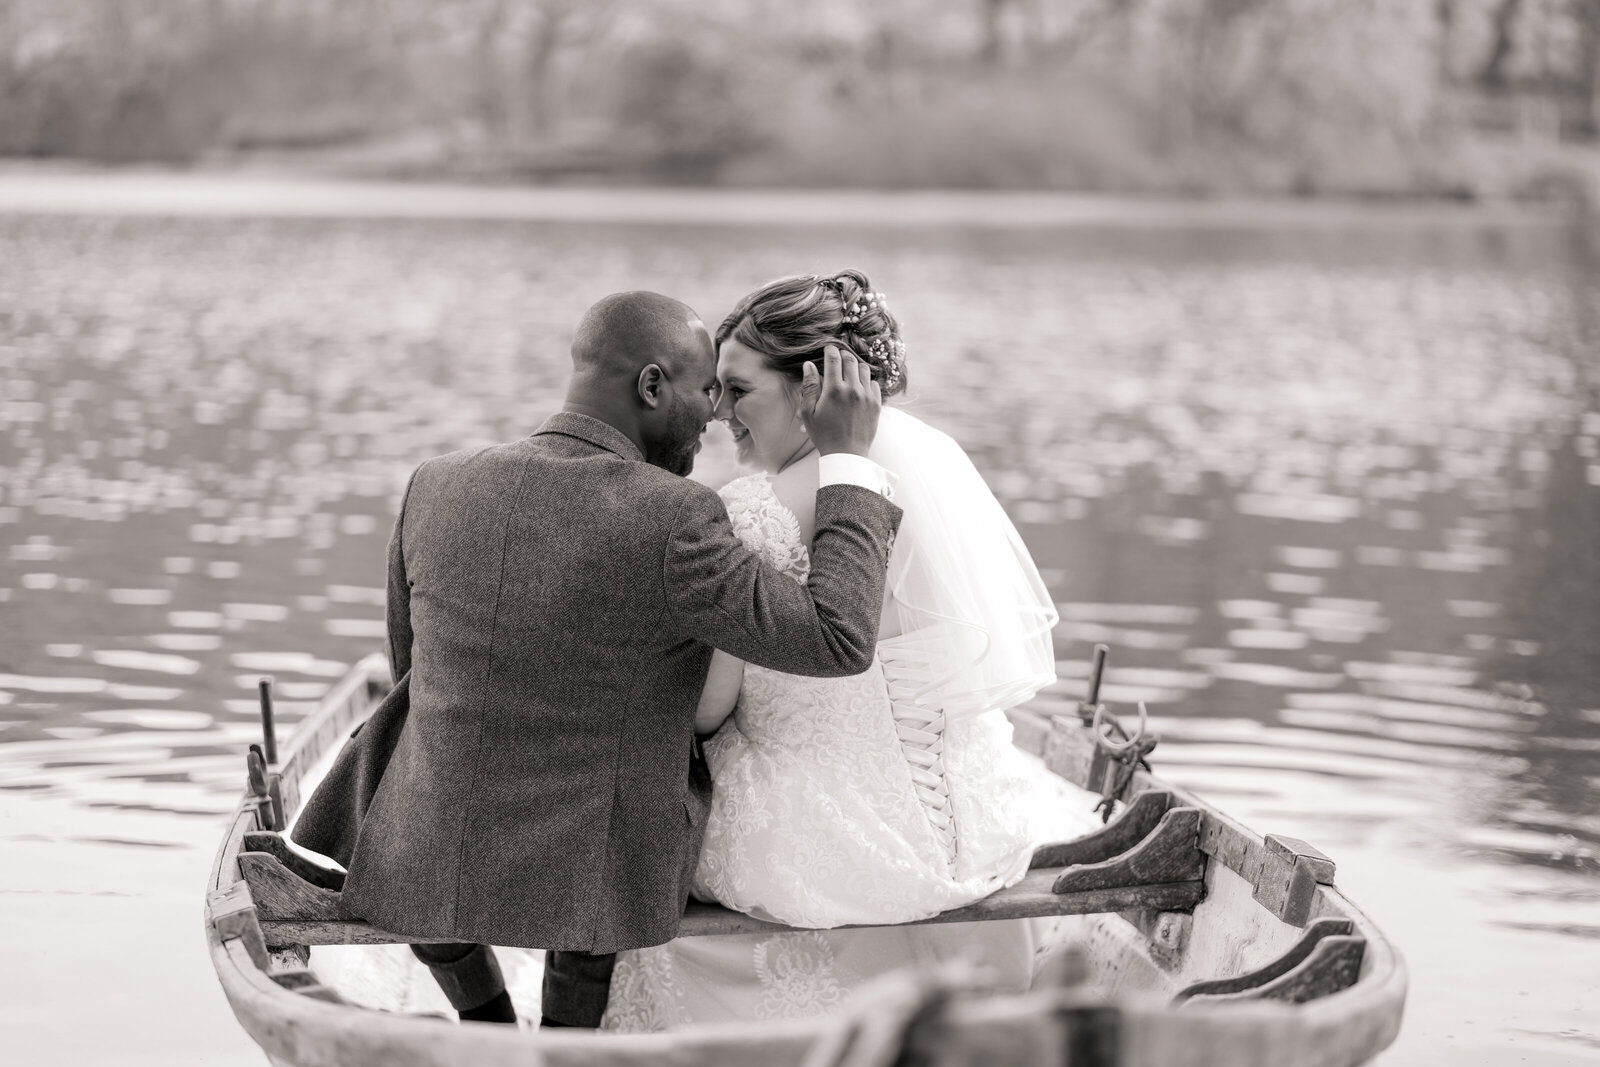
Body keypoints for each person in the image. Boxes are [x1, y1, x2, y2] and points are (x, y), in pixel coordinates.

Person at [290, 291, 902, 1029]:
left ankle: (483, 1017)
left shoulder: (435, 482)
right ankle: (567, 1037)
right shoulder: (676, 515)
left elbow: (410, 667)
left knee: (420, 735)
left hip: (425, 839)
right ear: (650, 386)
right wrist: (846, 463)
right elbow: (836, 638)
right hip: (598, 866)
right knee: (632, 777)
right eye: (705, 389)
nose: (713, 414)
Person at [601, 270, 1090, 1031]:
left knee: (637, 845)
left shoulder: (749, 512)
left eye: (738, 389)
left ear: (812, 389)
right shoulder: (931, 475)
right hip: (971, 839)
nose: (720, 412)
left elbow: (707, 708)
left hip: (824, 847)